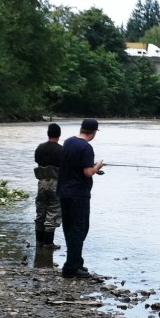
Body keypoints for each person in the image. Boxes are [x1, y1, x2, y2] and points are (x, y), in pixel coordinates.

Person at [56, 118, 105, 279]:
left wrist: (91, 168)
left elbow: (74, 166)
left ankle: (76, 262)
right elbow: (87, 172)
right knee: (79, 230)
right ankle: (70, 268)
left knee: (69, 229)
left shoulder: (69, 142)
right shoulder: (86, 147)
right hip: (79, 194)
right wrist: (98, 166)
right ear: (94, 132)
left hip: (64, 192)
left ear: (82, 128)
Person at [33, 123, 63, 250]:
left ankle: (39, 241)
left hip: (41, 182)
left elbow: (37, 161)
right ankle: (48, 243)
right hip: (55, 183)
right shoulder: (62, 150)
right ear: (59, 135)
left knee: (41, 212)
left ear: (48, 133)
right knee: (53, 212)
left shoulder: (40, 148)